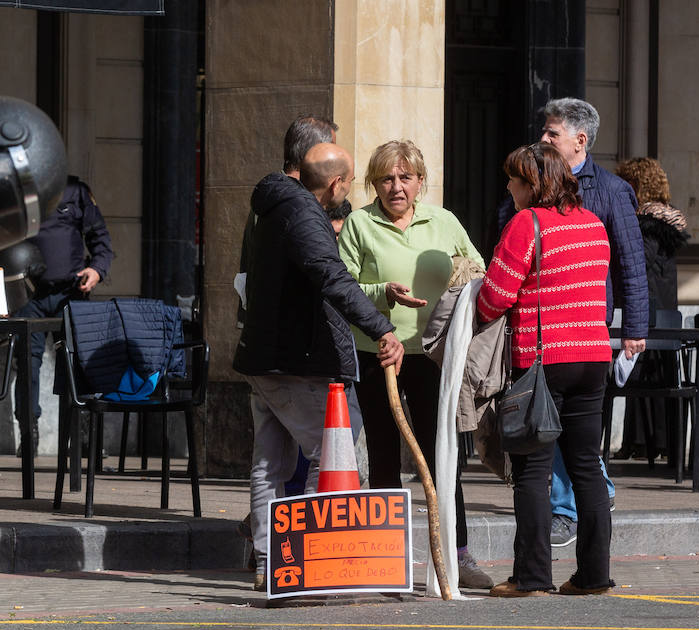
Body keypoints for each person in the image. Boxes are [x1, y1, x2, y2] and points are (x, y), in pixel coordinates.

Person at [235, 143, 405, 591]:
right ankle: (303, 559)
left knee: (270, 461)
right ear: (336, 184)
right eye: (347, 182)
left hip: (266, 356)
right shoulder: (305, 215)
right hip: (296, 361)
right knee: (328, 453)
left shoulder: (274, 207)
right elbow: (333, 279)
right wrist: (382, 328)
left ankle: (268, 561)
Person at [337, 140, 492, 590]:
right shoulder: (360, 225)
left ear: (420, 181)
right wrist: (383, 293)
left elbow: (477, 270)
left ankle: (457, 556)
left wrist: (462, 280)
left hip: (433, 355)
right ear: (374, 184)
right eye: (386, 178)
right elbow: (343, 287)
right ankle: (385, 562)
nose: (396, 187)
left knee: (442, 458)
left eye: (405, 178)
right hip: (378, 354)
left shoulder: (443, 222)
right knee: (384, 457)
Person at [478, 144, 615, 597]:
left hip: (542, 362)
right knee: (587, 467)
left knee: (533, 472)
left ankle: (532, 576)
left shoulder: (527, 223)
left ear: (533, 184)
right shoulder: (593, 224)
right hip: (593, 358)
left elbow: (494, 297)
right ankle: (594, 576)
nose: (509, 187)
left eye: (514, 180)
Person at [532, 98, 649, 548]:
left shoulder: (612, 191)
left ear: (580, 140)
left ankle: (565, 508)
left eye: (552, 133)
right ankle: (599, 486)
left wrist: (634, 328)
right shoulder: (535, 182)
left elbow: (631, 265)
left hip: (588, 325)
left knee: (566, 419)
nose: (543, 138)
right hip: (541, 321)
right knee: (555, 417)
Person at [12, 174, 114, 456]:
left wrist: (97, 270)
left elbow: (100, 239)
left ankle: (83, 436)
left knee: (78, 363)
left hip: (71, 291)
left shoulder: (75, 189)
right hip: (28, 294)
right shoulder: (16, 189)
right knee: (27, 364)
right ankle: (28, 432)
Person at [611, 156, 690, 461]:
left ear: (638, 185)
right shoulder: (665, 222)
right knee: (654, 375)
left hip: (648, 308)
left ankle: (645, 443)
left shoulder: (647, 224)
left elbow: (637, 264)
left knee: (641, 374)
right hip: (663, 308)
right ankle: (652, 443)